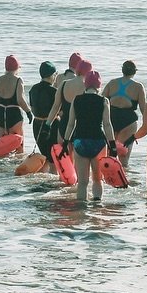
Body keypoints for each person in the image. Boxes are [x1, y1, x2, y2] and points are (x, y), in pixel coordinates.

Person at [64, 69, 115, 202]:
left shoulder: (77, 100)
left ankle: (82, 210)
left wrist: (65, 142)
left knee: (82, 182)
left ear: (85, 85)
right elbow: (107, 125)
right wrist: (113, 145)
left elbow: (70, 124)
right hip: (98, 143)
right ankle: (97, 207)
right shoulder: (103, 101)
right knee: (97, 179)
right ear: (99, 86)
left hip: (80, 142)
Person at [103, 60, 147, 169]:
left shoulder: (111, 83)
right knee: (123, 157)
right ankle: (124, 182)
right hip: (128, 122)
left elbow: (100, 102)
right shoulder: (138, 87)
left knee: (110, 154)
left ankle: (109, 182)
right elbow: (144, 109)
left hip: (111, 120)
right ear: (134, 72)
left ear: (122, 70)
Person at [45, 53, 87, 148]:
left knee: (63, 157)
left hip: (63, 122)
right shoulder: (83, 83)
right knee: (76, 160)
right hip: (77, 124)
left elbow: (56, 101)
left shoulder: (60, 78)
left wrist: (48, 123)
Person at [0, 56, 29, 140]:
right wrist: (28, 112)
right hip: (14, 114)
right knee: (18, 143)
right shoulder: (18, 80)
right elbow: (20, 100)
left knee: (1, 144)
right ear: (17, 67)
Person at [28, 62, 59, 163]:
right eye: (55, 75)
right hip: (51, 125)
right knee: (54, 156)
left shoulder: (33, 89)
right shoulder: (54, 91)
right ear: (51, 75)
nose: (55, 77)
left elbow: (33, 109)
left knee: (45, 154)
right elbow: (59, 111)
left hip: (37, 124)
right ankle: (53, 176)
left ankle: (46, 175)